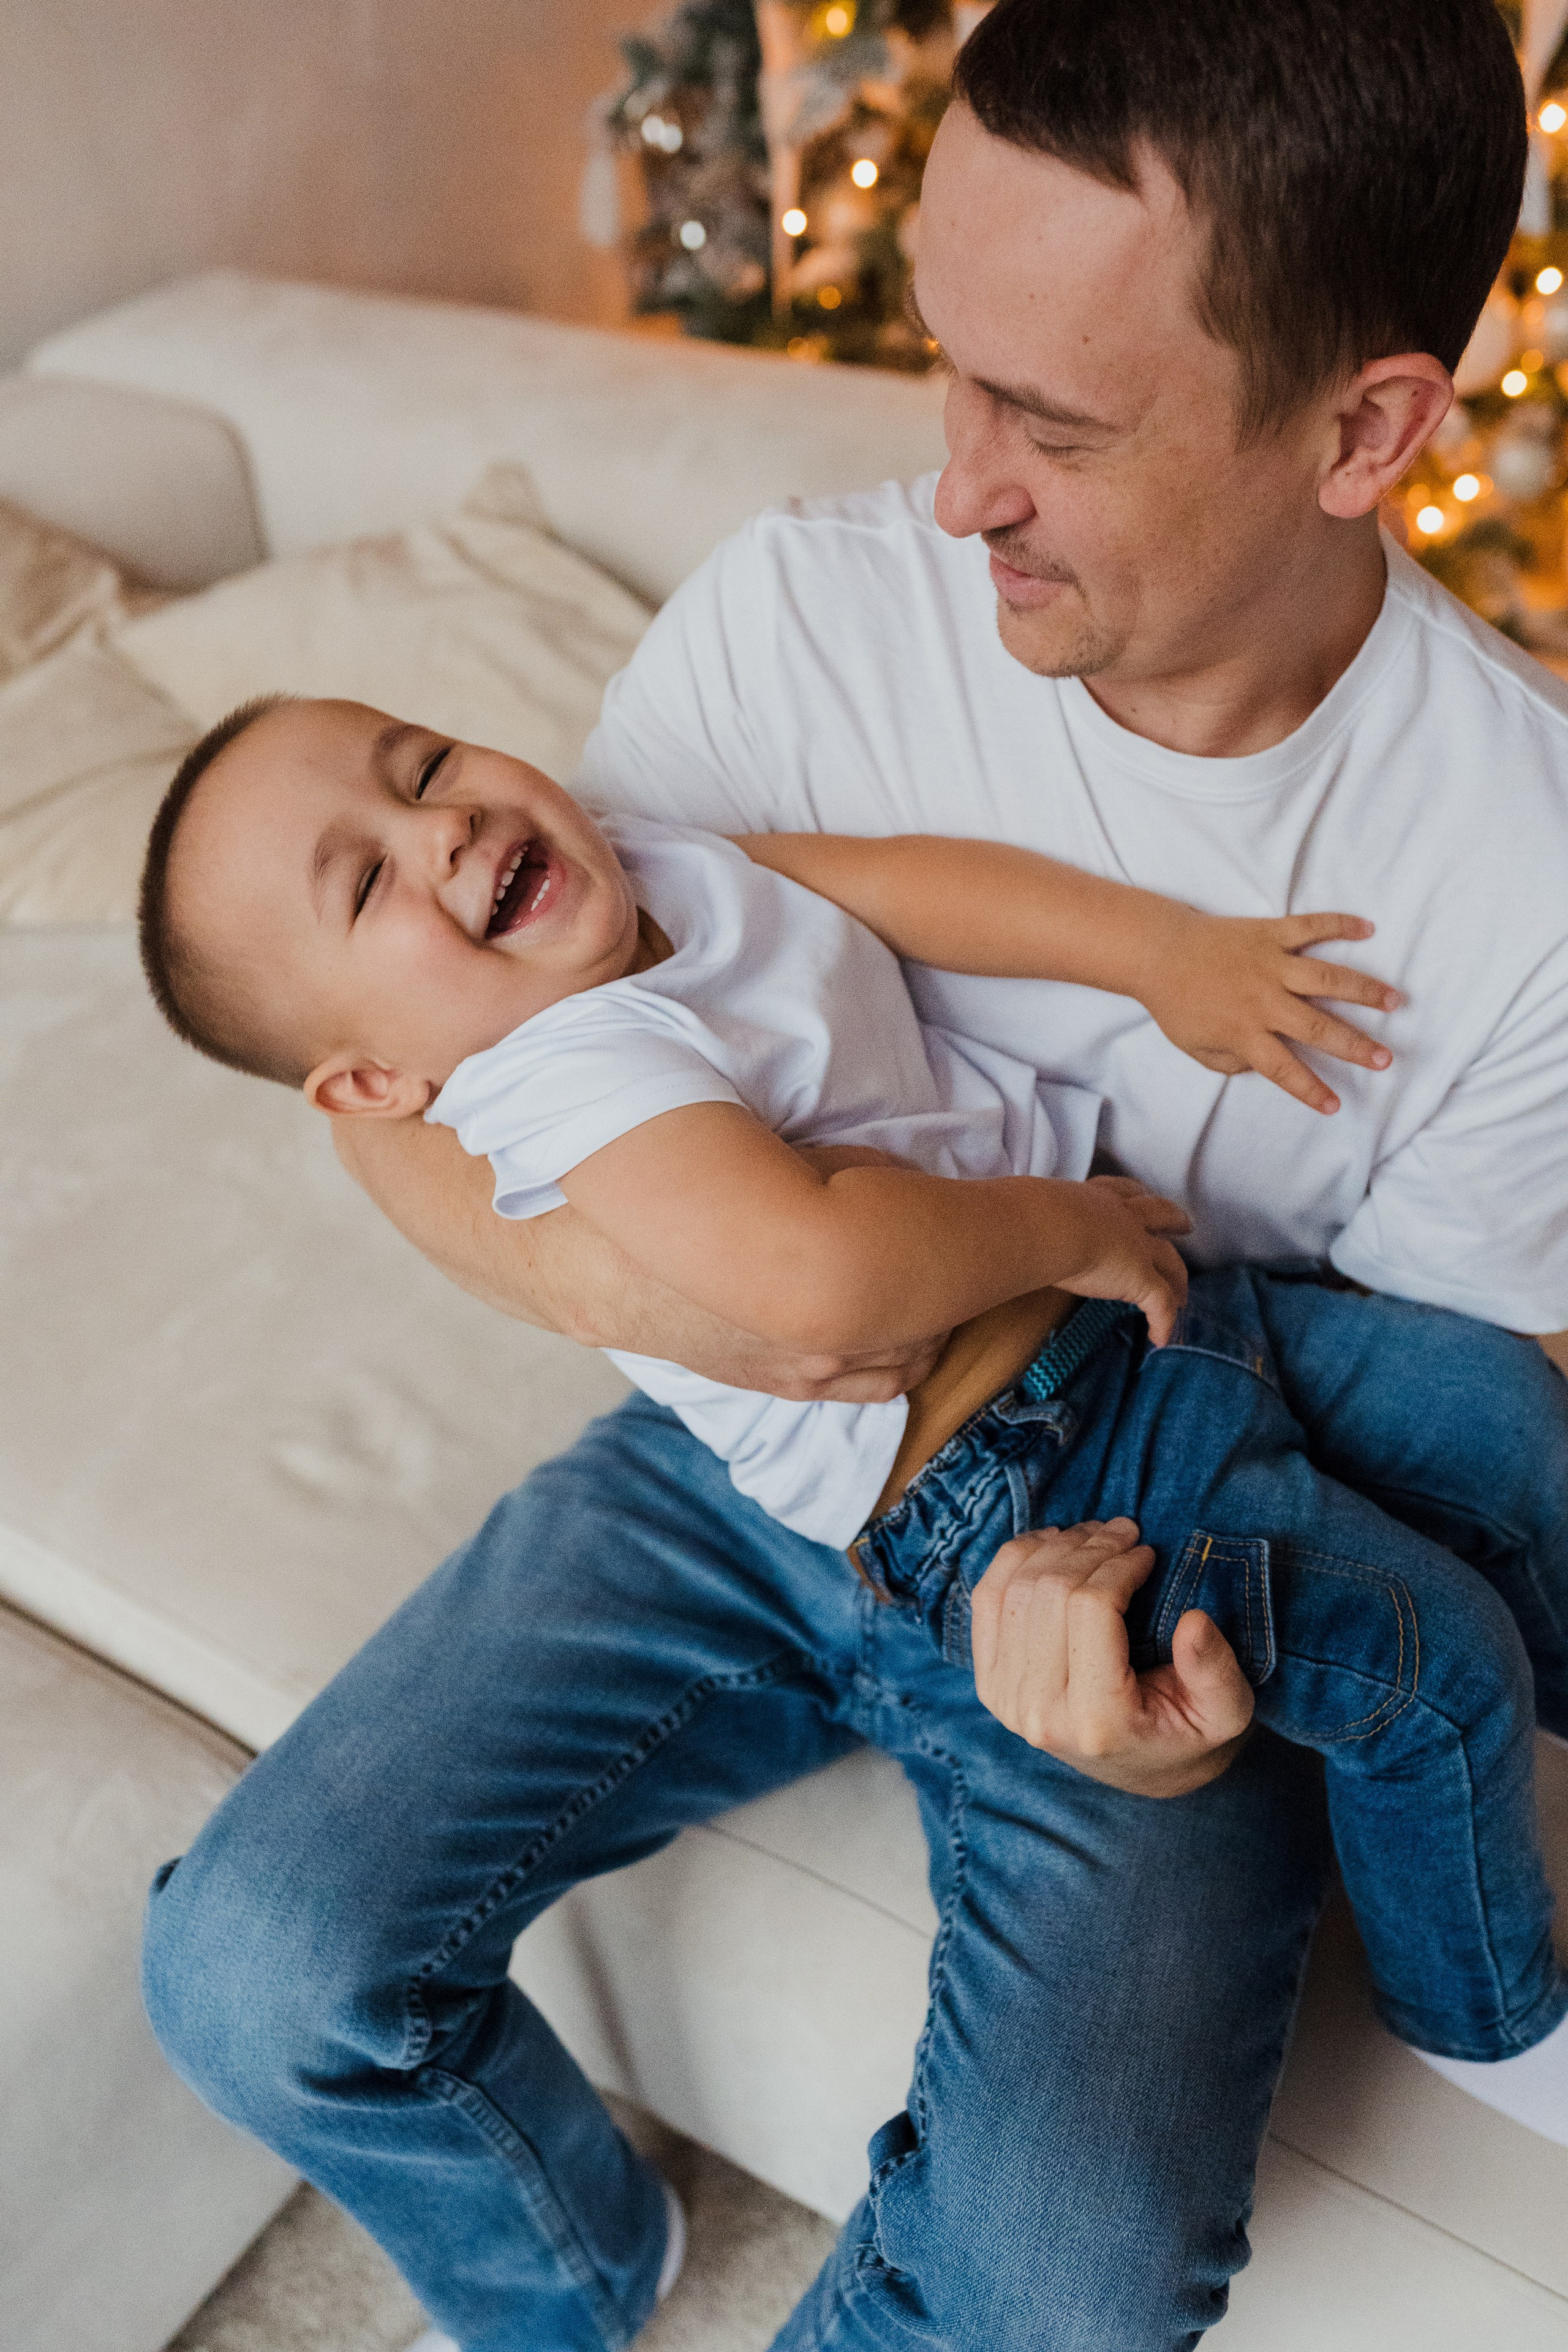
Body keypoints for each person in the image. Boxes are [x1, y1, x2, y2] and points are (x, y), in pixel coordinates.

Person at [138, 2, 1568, 2346]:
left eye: (1059, 421)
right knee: (253, 1966)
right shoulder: (805, 611)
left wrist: (1172, 1673)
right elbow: (493, 1097)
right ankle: (576, 2275)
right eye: (948, 369)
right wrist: (773, 1318)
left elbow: (1411, 1415)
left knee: (1065, 2284)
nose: (957, 489)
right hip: (730, 1462)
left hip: (1137, 1492)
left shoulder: (1517, 880)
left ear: (1372, 430)